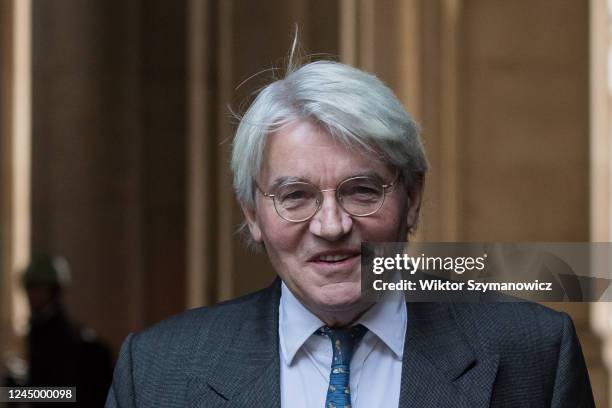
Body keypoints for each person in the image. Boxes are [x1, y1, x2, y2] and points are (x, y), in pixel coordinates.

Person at [106, 50, 594, 407]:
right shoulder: (155, 373)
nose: (332, 225)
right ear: (252, 215)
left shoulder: (534, 353)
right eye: (295, 196)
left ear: (413, 197)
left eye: (362, 190)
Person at [22, 255, 114, 407]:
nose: (32, 295)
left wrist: (15, 392)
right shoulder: (36, 330)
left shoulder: (68, 339)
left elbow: (65, 393)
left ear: (54, 291)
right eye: (29, 288)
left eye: (38, 288)